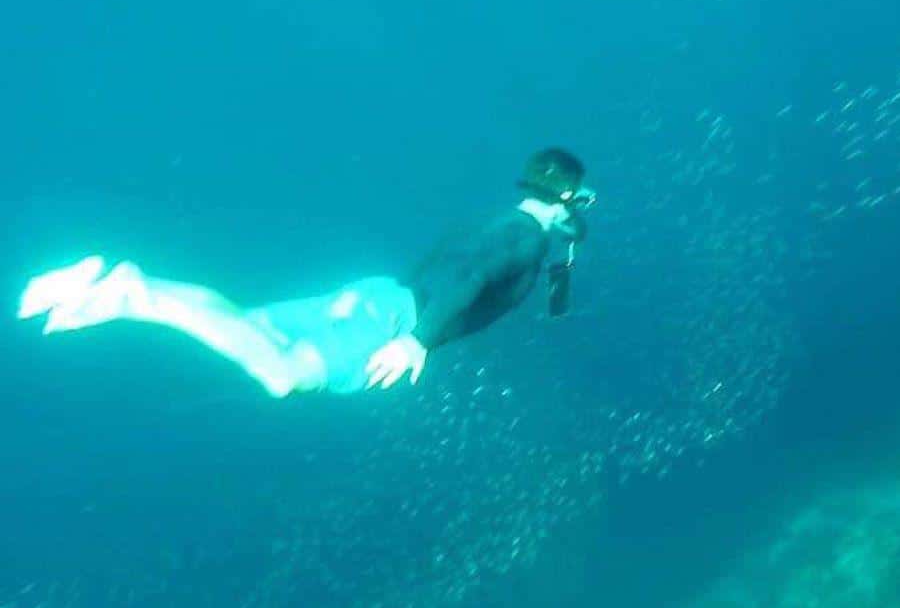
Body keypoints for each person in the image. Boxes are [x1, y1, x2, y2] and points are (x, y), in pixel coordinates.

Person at [17, 148, 595, 396]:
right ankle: (136, 295)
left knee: (247, 326)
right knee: (283, 375)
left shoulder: (506, 224)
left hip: (380, 295)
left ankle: (129, 292)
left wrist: (563, 243)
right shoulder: (524, 239)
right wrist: (416, 341)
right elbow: (469, 277)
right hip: (397, 321)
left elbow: (466, 265)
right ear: (569, 196)